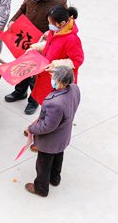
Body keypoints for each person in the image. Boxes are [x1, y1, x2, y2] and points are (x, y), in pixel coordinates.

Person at [3, 0, 67, 113]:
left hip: (42, 42)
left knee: (36, 73)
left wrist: (50, 34)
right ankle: (20, 92)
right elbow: (23, 7)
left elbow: (63, 24)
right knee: (22, 65)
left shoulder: (59, 2)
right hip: (25, 36)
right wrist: (14, 19)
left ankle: (34, 100)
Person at [24, 66, 81, 197]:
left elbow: (47, 126)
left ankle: (41, 188)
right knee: (58, 156)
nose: (52, 79)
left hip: (50, 140)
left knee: (43, 164)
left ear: (60, 83)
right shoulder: (74, 89)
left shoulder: (55, 104)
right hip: (63, 135)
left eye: (54, 78)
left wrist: (31, 129)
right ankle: (55, 179)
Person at [26, 5, 84, 113]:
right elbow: (50, 44)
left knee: (53, 107)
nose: (49, 26)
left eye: (51, 23)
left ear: (61, 23)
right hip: (47, 75)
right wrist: (35, 47)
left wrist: (55, 64)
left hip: (59, 79)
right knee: (46, 103)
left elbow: (77, 60)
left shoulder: (72, 40)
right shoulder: (55, 31)